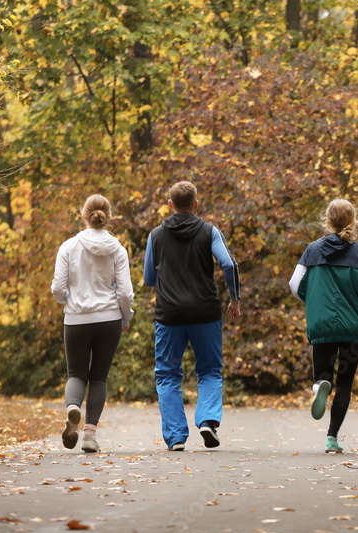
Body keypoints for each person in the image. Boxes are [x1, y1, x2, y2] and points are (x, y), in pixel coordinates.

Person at [143, 181, 241, 451]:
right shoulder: (209, 232)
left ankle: (175, 437)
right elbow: (229, 264)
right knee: (209, 370)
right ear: (196, 204)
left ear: (170, 205)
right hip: (205, 313)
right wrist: (235, 300)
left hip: (169, 315)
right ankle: (208, 421)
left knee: (167, 375)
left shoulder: (155, 236)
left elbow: (149, 278)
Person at [288, 199, 358, 453]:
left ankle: (320, 385)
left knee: (323, 375)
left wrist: (312, 300)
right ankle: (332, 437)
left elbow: (295, 284)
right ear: (352, 222)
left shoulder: (312, 251)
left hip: (321, 325)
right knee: (345, 383)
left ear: (327, 220)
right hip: (352, 329)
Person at [51, 194, 135, 453]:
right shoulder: (117, 250)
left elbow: (57, 288)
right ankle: (89, 435)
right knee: (99, 377)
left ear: (83, 214)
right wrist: (125, 316)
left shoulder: (68, 247)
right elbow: (125, 294)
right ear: (108, 217)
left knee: (76, 374)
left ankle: (73, 408)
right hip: (109, 319)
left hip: (76, 319)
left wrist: (68, 301)